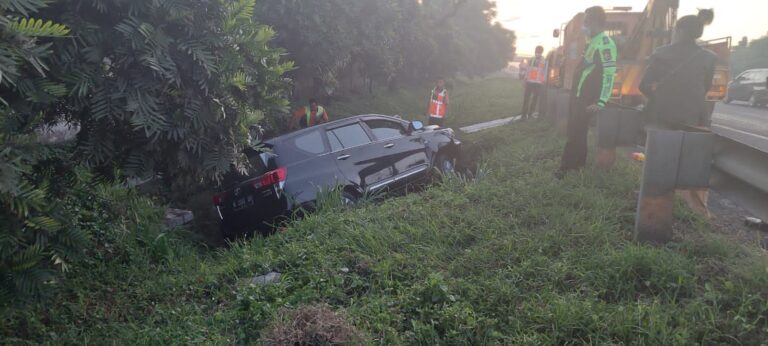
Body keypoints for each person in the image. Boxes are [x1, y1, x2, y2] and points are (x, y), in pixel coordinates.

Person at [639, 9, 716, 218]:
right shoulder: (709, 57)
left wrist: (658, 97)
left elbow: (644, 85)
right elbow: (705, 87)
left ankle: (655, 210)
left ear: (679, 30)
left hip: (663, 114)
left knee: (660, 163)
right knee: (695, 165)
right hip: (696, 118)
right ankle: (697, 212)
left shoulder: (661, 53)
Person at [557, 6, 617, 178]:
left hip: (586, 98)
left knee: (575, 133)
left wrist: (601, 101)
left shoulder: (605, 44)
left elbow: (609, 74)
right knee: (576, 133)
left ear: (594, 21)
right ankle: (575, 167)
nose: (583, 25)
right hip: (579, 96)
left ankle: (567, 169)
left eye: (586, 21)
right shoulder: (593, 41)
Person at [521, 46, 547, 119]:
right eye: (536, 51)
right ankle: (523, 115)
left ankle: (530, 114)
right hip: (529, 82)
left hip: (538, 83)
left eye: (539, 51)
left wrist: (543, 81)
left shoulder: (544, 61)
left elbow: (544, 72)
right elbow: (527, 70)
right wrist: (525, 80)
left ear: (541, 52)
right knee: (526, 99)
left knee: (534, 99)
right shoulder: (531, 59)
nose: (537, 53)